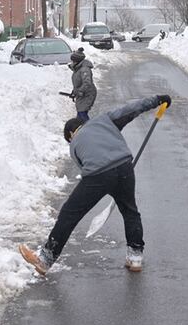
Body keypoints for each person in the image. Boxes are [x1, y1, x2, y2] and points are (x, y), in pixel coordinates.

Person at [19, 94, 172, 275]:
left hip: (97, 175)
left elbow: (85, 167)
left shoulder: (74, 144)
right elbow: (131, 109)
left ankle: (46, 258)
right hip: (124, 166)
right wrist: (156, 100)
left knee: (70, 213)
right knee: (130, 210)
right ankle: (135, 256)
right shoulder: (104, 120)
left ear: (70, 134)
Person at [68, 48, 96, 121]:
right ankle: (80, 129)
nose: (72, 62)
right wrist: (75, 91)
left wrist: (79, 90)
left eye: (73, 60)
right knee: (80, 114)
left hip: (87, 94)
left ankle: (90, 128)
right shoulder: (78, 68)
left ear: (77, 61)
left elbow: (87, 83)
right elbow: (78, 83)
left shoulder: (84, 69)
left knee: (82, 113)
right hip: (81, 94)